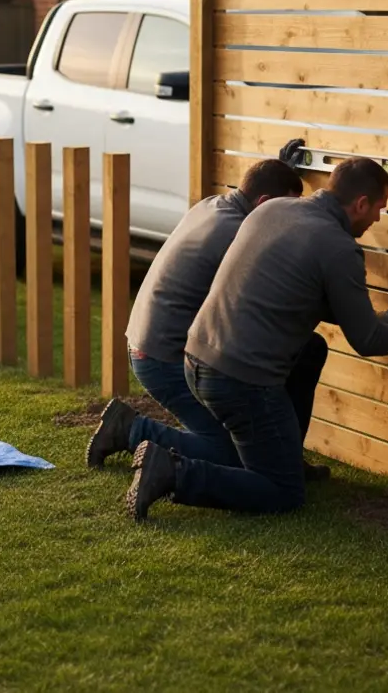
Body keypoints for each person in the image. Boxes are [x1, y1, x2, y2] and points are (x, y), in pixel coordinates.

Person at [122, 156, 388, 521]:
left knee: (311, 350)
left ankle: (279, 458)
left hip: (196, 358)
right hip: (241, 381)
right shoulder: (339, 247)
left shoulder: (272, 209)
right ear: (361, 204)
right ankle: (173, 473)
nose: (378, 218)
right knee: (282, 492)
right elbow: (368, 341)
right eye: (379, 208)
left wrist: (378, 320)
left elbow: (294, 290)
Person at [88, 158, 332, 480]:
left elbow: (261, 188)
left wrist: (281, 166)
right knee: (233, 454)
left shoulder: (214, 205)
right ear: (264, 204)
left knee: (307, 349)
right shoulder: (238, 235)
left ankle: (286, 458)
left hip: (150, 343)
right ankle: (131, 430)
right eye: (287, 207)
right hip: (165, 359)